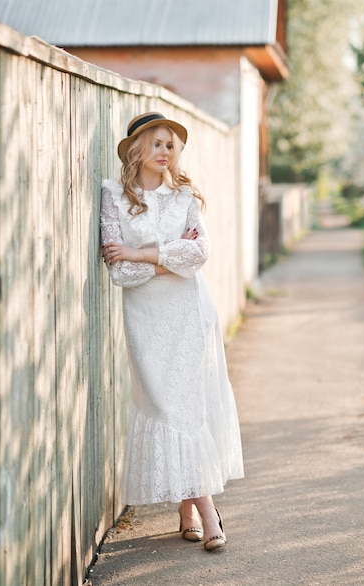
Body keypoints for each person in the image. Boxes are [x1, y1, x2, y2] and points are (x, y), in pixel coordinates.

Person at [100, 112, 244, 552]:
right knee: (166, 408)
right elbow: (119, 271)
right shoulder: (113, 196)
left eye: (172, 146)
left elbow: (199, 254)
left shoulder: (183, 196)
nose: (166, 152)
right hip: (146, 320)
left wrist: (143, 252)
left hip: (189, 313)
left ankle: (203, 511)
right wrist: (166, 261)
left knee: (188, 409)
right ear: (138, 149)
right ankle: (194, 510)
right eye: (158, 144)